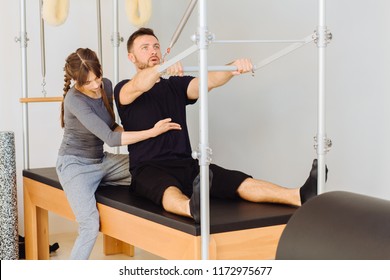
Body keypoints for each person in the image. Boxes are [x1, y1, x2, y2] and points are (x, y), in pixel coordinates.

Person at [114, 28, 326, 224]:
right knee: (167, 190)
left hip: (186, 165)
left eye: (156, 46)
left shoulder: (175, 86)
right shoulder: (124, 89)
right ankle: (191, 208)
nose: (153, 51)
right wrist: (160, 69)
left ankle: (299, 195)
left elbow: (209, 81)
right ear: (131, 57)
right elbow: (141, 83)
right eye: (145, 48)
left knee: (239, 181)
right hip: (148, 168)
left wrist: (233, 67)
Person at [56, 48, 181, 259]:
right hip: (75, 166)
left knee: (149, 168)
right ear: (76, 81)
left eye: (97, 77)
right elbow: (111, 139)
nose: (96, 85)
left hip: (102, 161)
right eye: (88, 83)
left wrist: (151, 138)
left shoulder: (106, 85)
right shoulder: (74, 99)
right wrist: (151, 132)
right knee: (89, 224)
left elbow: (114, 126)